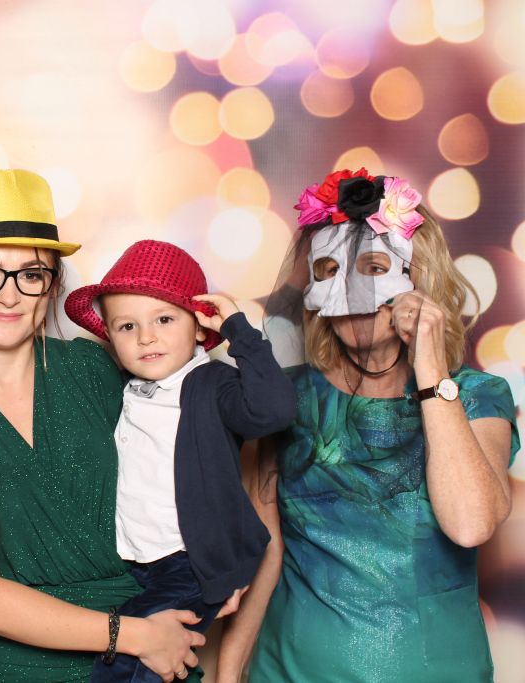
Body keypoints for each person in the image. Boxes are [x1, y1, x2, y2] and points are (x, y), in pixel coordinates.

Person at [216, 169, 519, 682]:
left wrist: (430, 368)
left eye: (375, 268)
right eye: (330, 270)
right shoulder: (286, 400)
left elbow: (471, 524)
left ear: (418, 281)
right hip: (288, 672)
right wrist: (227, 673)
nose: (354, 293)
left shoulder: (477, 396)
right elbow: (267, 550)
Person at [0, 166, 209, 683]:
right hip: (13, 667)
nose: (9, 296)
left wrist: (230, 556)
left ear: (50, 287)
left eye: (30, 274)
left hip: (146, 659)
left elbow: (198, 459)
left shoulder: (96, 370)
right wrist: (135, 635)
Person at [62, 239, 296, 682]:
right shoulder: (125, 388)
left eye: (164, 319)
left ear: (199, 327)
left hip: (188, 562)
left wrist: (239, 332)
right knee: (144, 658)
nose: (146, 337)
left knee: (126, 664)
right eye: (127, 326)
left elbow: (275, 411)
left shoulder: (212, 384)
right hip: (134, 562)